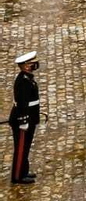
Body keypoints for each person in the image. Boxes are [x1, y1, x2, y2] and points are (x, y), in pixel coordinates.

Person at [9, 53, 44, 184]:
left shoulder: (27, 78)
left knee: (26, 147)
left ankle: (23, 171)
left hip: (30, 118)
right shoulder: (23, 81)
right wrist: (23, 121)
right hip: (23, 121)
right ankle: (18, 176)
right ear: (25, 66)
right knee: (21, 149)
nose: (34, 65)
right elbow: (22, 103)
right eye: (31, 63)